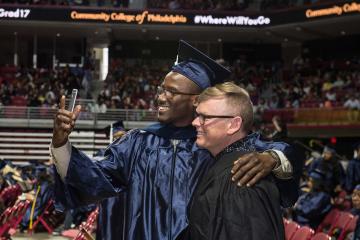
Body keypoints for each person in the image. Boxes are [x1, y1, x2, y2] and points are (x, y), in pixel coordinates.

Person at [51, 40, 299, 240]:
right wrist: (61, 144)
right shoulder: (137, 143)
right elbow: (93, 179)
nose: (160, 96)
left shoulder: (220, 145)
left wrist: (272, 158)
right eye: (161, 89)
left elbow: (280, 151)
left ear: (196, 100)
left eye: (171, 91)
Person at [187, 82, 285, 239]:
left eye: (205, 117)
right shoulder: (223, 165)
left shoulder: (242, 177)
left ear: (233, 125)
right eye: (197, 115)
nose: (195, 122)